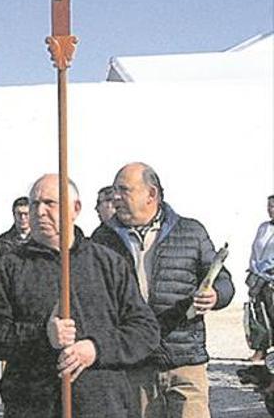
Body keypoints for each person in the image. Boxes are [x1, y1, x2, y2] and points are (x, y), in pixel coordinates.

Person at [0, 174, 160, 417]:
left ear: (75, 208)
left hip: (100, 404)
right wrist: (42, 335)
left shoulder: (108, 263)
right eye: (35, 204)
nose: (40, 212)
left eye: (49, 203)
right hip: (33, 404)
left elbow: (145, 331)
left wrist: (96, 349)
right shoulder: (10, 266)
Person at [91, 162, 235, 418]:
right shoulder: (103, 239)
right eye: (114, 190)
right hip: (134, 366)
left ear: (151, 194)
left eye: (124, 190)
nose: (116, 197)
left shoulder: (191, 232)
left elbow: (223, 280)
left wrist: (215, 296)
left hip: (185, 363)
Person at [247, 195, 274, 361]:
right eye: (269, 206)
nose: (271, 210)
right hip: (258, 277)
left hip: (272, 278)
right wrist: (253, 270)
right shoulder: (263, 227)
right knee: (258, 314)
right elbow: (255, 251)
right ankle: (260, 349)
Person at [0, 197, 31, 261]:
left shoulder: (42, 241)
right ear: (14, 215)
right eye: (19, 214)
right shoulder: (1, 242)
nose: (22, 217)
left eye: (26, 214)